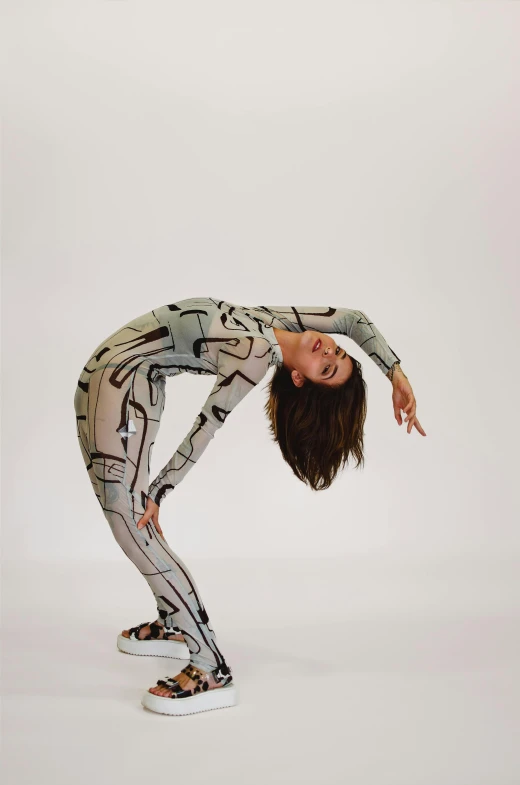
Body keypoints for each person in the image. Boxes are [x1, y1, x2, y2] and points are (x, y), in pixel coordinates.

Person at [73, 297, 425, 716]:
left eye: (327, 369)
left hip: (125, 383)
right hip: (110, 376)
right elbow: (350, 319)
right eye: (338, 353)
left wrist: (160, 489)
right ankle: (172, 621)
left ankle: (209, 667)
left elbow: (207, 424)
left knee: (129, 522)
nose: (328, 351)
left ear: (299, 380)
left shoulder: (257, 356)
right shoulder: (277, 322)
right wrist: (395, 373)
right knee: (124, 516)